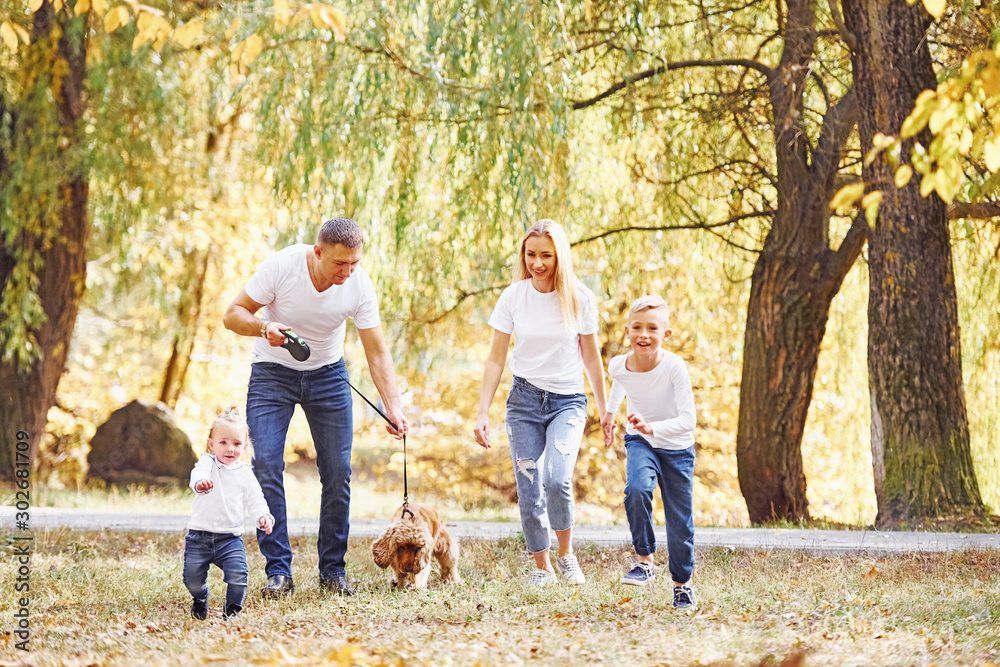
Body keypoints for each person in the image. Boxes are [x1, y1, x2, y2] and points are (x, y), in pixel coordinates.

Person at [223, 216, 409, 597]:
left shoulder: (358, 283)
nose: (348, 271)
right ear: (318, 251)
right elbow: (232, 315)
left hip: (328, 375)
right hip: (272, 373)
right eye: (340, 263)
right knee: (267, 465)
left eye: (354, 263)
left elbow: (376, 352)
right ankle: (278, 572)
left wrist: (393, 406)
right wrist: (263, 328)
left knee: (338, 472)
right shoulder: (283, 266)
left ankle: (332, 571)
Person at [474, 219, 610, 587]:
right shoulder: (513, 297)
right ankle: (542, 567)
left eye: (546, 256)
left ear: (559, 256)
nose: (537, 263)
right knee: (529, 485)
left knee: (555, 479)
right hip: (524, 402)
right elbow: (495, 358)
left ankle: (566, 556)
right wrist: (483, 410)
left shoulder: (579, 298)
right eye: (531, 254)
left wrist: (606, 408)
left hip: (567, 402)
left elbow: (592, 359)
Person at [601, 295, 697, 608]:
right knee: (637, 489)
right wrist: (610, 414)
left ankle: (682, 585)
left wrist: (653, 427)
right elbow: (620, 380)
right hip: (640, 441)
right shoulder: (619, 363)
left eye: (652, 328)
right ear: (627, 331)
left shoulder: (674, 367)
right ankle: (644, 559)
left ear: (665, 335)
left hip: (677, 448)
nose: (644, 334)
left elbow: (688, 420)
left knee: (679, 522)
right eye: (637, 328)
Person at [183, 406, 274, 620]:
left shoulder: (246, 474)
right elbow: (197, 475)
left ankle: (232, 612)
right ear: (211, 443)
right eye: (223, 442)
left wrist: (263, 517)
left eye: (236, 443)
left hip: (230, 539)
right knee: (191, 579)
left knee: (238, 576)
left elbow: (256, 499)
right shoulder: (208, 462)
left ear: (245, 446)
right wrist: (200, 483)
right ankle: (200, 596)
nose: (229, 449)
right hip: (199, 537)